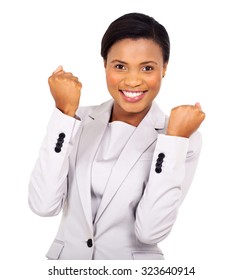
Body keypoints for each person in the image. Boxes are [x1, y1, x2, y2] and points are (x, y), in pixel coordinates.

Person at [28, 12, 205, 260]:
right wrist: (64, 113)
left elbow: (151, 231)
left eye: (147, 68)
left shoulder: (181, 136)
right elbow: (43, 205)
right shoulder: (75, 120)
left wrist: (174, 139)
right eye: (120, 66)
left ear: (164, 68)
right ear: (104, 65)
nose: (132, 81)